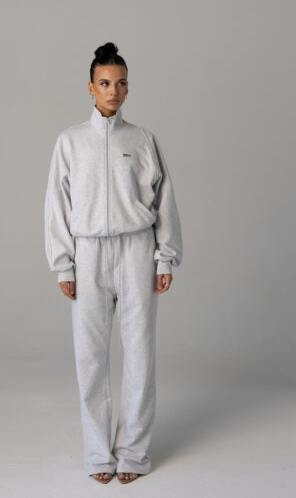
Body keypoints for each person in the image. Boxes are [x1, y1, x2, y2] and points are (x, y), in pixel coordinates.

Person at [44, 42, 183, 484]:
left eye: (121, 84)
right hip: (89, 255)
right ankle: (98, 454)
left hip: (137, 250)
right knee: (90, 359)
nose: (113, 91)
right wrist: (64, 264)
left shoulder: (142, 139)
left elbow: (164, 200)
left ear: (128, 87)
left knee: (139, 355)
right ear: (91, 87)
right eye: (105, 83)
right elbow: (57, 206)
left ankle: (134, 455)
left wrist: (165, 257)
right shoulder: (70, 141)